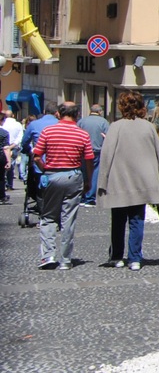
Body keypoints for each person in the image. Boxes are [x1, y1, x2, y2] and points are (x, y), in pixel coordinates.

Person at [98, 91, 159, 271]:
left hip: (119, 181)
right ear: (141, 107)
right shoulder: (148, 127)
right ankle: (135, 258)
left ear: (122, 107)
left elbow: (106, 156)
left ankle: (116, 256)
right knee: (137, 221)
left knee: (118, 221)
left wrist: (102, 182)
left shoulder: (115, 127)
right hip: (142, 182)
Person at [33, 102, 95, 270]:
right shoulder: (82, 134)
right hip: (74, 175)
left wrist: (45, 169)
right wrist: (89, 180)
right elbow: (89, 159)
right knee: (69, 218)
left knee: (48, 216)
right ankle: (66, 259)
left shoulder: (48, 131)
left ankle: (48, 255)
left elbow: (37, 156)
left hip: (53, 175)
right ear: (77, 115)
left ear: (58, 115)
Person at [20, 104, 59, 228]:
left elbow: (25, 142)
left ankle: (44, 217)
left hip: (40, 163)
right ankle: (56, 216)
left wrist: (27, 151)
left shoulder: (34, 124)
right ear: (56, 113)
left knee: (41, 191)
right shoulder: (61, 124)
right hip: (59, 163)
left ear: (44, 111)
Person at [79, 102, 110, 206]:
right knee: (95, 172)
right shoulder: (104, 122)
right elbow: (108, 136)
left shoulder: (82, 121)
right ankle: (90, 197)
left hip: (82, 151)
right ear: (100, 111)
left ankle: (82, 196)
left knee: (83, 172)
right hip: (97, 151)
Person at [0, 107, 22, 202]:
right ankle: (2, 195)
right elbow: (6, 148)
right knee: (1, 176)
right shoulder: (4, 133)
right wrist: (8, 161)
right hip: (2, 155)